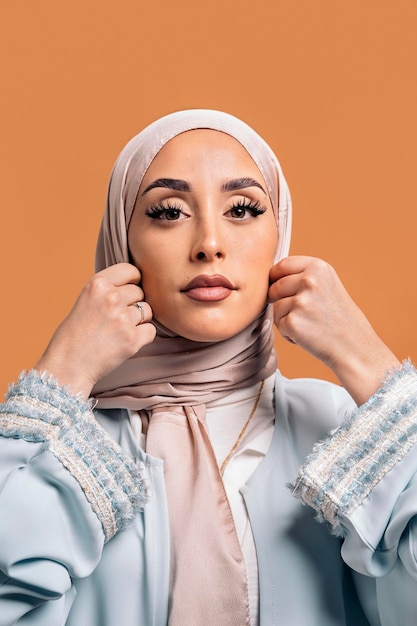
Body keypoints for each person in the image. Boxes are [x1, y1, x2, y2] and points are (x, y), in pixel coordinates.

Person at [0, 109, 416, 626]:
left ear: (278, 232)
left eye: (241, 209)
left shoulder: (338, 429)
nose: (209, 244)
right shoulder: (73, 448)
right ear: (122, 241)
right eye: (169, 212)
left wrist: (370, 365)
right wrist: (61, 375)